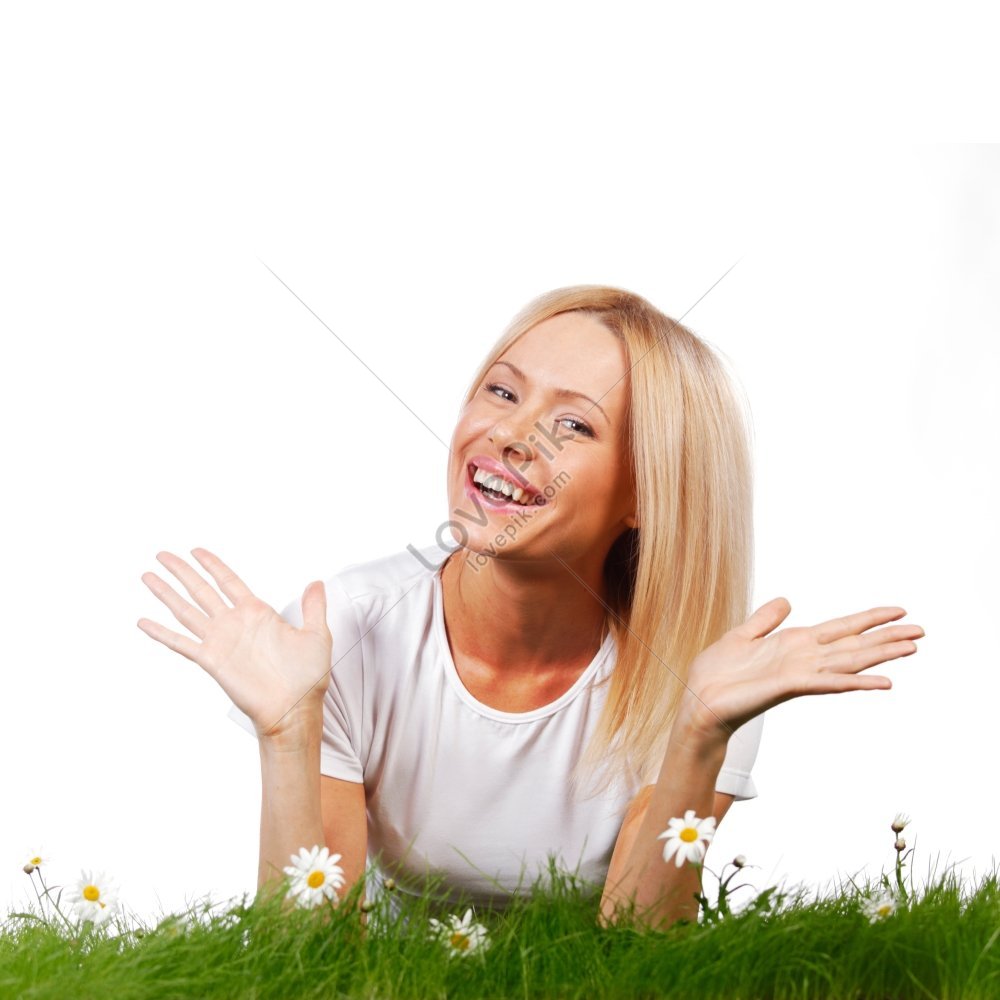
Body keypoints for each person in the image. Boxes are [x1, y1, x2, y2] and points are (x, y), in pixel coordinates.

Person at [137, 284, 924, 929]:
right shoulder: (345, 632)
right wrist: (287, 732)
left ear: (646, 494)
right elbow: (302, 948)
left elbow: (647, 952)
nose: (512, 435)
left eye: (573, 424)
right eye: (503, 391)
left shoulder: (708, 676)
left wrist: (699, 733)